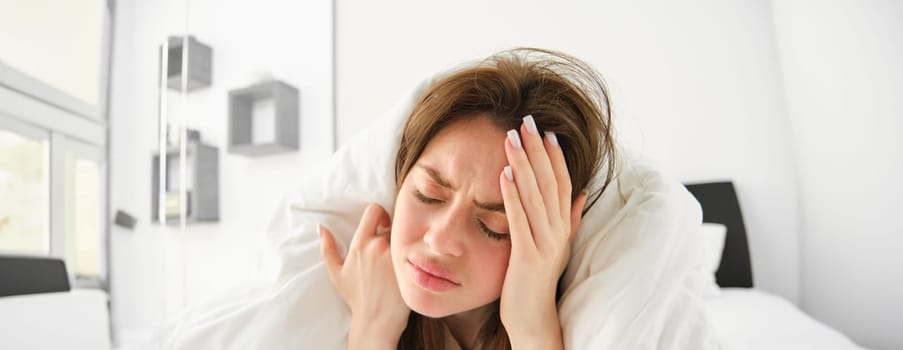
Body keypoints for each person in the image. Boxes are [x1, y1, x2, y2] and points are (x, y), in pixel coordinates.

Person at [318, 48, 617, 350]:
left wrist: (532, 326)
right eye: (428, 194)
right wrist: (374, 328)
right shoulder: (356, 298)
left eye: (493, 226)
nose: (440, 240)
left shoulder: (593, 326)